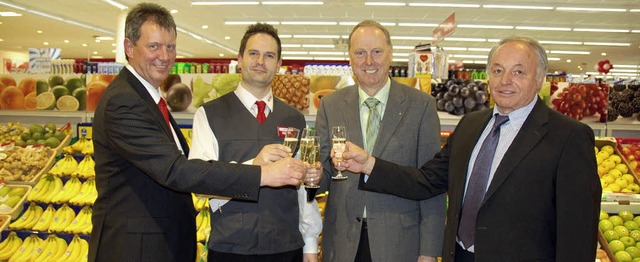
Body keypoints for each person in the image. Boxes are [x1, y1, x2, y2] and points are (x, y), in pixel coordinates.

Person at [338, 36, 601, 261]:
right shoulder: (471, 125)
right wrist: (369, 164)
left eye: (518, 72)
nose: (505, 80)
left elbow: (578, 231)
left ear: (540, 78)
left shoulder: (568, 137)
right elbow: (427, 181)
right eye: (498, 71)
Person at [89, 3, 306, 262]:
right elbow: (176, 170)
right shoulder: (124, 101)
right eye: (154, 46)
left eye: (170, 46)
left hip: (160, 243)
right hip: (137, 248)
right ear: (129, 48)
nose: (164, 55)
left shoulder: (148, 98)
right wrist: (262, 173)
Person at [188, 23, 322, 262]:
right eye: (253, 53)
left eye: (269, 55)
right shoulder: (209, 114)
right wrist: (255, 167)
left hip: (285, 248)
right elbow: (199, 181)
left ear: (279, 65)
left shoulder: (295, 118)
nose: (261, 61)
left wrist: (310, 245)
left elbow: (303, 191)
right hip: (231, 249)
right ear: (239, 60)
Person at [315, 20, 445, 262]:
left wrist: (429, 251)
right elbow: (322, 178)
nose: (369, 61)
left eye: (377, 52)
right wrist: (311, 177)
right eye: (360, 53)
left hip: (400, 242)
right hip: (343, 242)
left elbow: (432, 183)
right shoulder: (330, 105)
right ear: (350, 58)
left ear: (391, 54)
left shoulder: (421, 106)